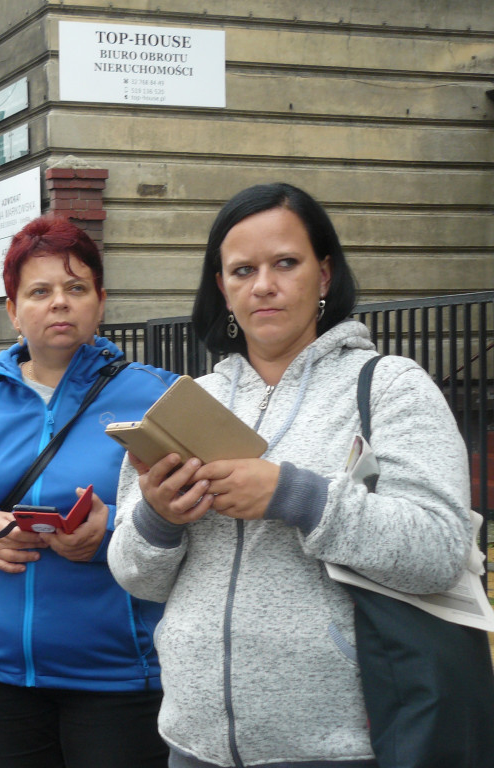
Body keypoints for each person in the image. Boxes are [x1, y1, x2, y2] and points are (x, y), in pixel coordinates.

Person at [107, 183, 474, 768]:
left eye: (285, 263)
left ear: (324, 275)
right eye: (242, 270)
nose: (264, 286)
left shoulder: (391, 387)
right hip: (192, 741)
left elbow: (439, 548)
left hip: (342, 746)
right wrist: (159, 516)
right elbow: (134, 576)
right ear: (222, 289)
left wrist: (294, 495)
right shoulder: (186, 404)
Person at [0, 217, 175, 768]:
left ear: (100, 302)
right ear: (13, 310)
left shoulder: (156, 396)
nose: (60, 303)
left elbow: (189, 518)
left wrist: (112, 537)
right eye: (40, 291)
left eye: (76, 289)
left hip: (118, 671)